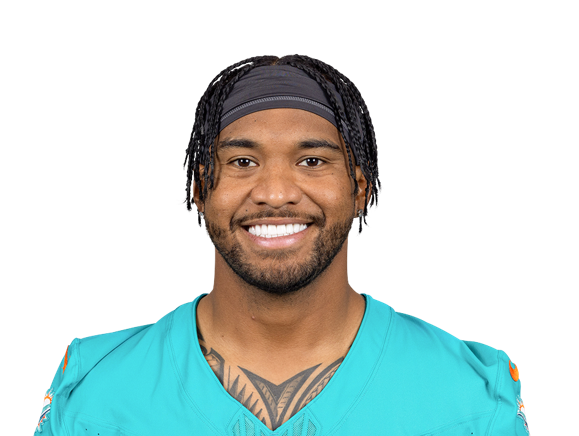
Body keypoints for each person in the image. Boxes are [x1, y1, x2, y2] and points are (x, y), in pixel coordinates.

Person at [34, 54, 529, 435]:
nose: (274, 194)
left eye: (312, 161)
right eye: (242, 162)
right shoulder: (96, 392)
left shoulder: (469, 396)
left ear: (360, 188)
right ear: (200, 189)